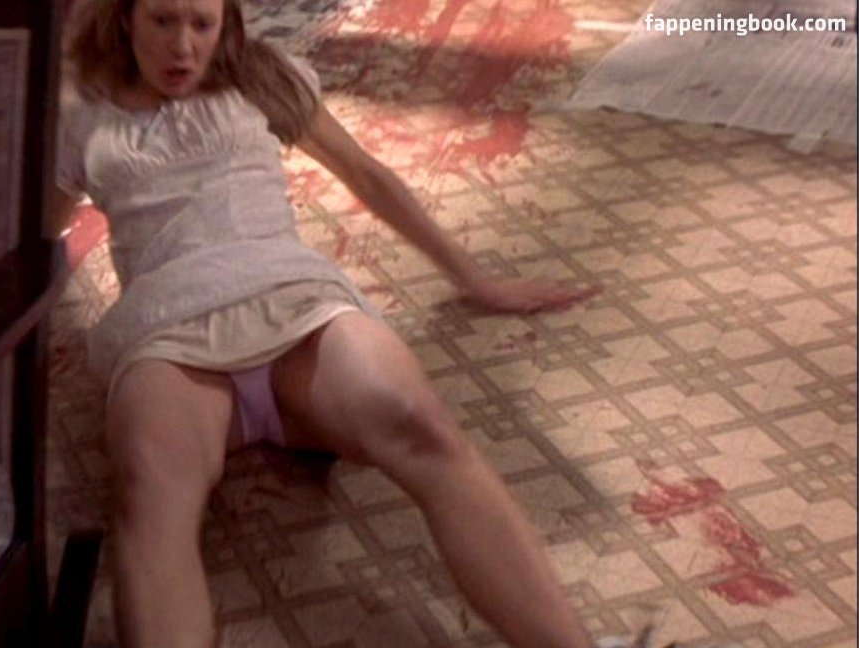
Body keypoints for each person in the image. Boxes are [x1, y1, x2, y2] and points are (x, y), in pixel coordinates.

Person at [54, 0, 626, 646]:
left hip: (296, 306)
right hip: (169, 336)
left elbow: (367, 176)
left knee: (423, 427)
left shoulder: (261, 77)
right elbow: (33, 243)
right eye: (163, 21)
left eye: (202, 24)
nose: (183, 47)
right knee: (149, 494)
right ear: (125, 18)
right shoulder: (83, 113)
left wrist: (475, 279)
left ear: (226, 22)